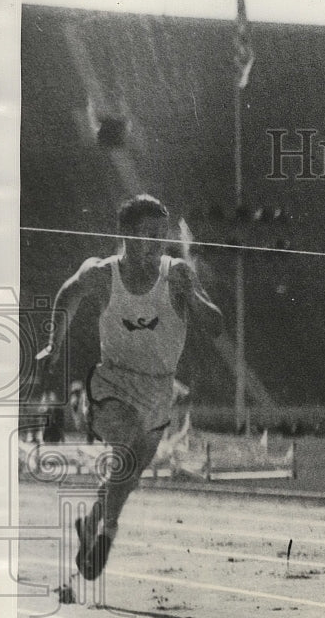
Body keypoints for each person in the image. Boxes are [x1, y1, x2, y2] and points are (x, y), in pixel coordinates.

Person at [35, 194, 223, 581]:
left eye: (162, 235)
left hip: (159, 390)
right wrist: (54, 344)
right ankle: (108, 532)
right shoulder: (101, 273)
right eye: (148, 234)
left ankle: (92, 524)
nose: (156, 244)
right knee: (128, 442)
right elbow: (67, 296)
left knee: (129, 473)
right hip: (111, 384)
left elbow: (216, 325)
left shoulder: (178, 273)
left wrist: (192, 298)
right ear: (125, 234)